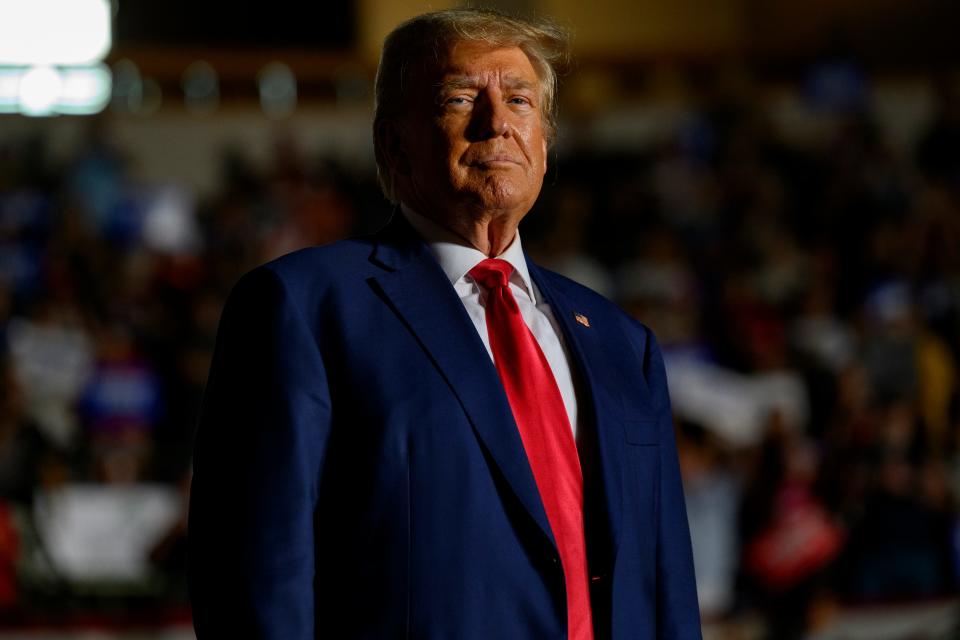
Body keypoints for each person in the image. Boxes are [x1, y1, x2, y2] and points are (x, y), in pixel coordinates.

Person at [187, 8, 701, 639]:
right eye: (461, 98)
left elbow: (667, 586)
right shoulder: (303, 307)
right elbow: (256, 576)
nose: (497, 124)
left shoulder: (625, 342)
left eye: (519, 101)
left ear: (545, 142)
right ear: (392, 143)